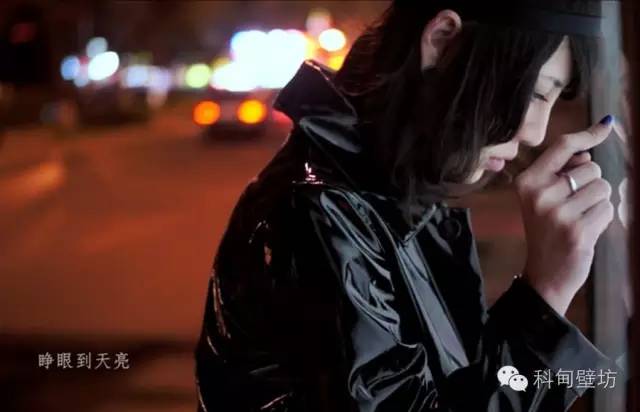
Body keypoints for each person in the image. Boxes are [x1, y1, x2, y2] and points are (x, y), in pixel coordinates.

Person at [194, 1, 623, 411]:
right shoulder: (320, 212)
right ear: (442, 39)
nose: (536, 132)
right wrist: (545, 296)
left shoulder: (388, 198)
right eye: (535, 93)